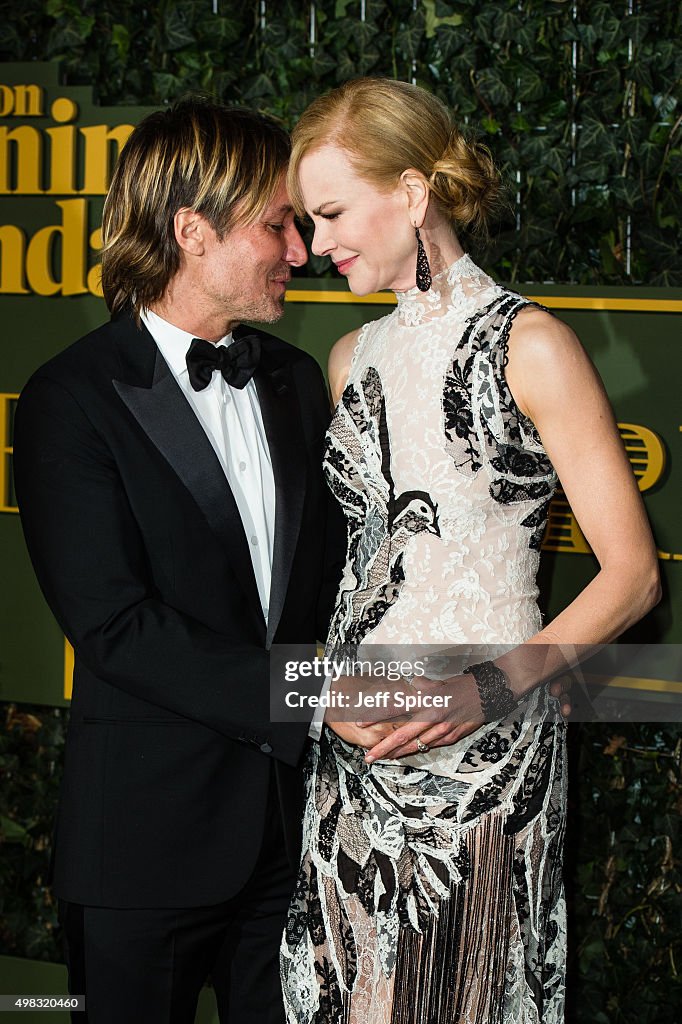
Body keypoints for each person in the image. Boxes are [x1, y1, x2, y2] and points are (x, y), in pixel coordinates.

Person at [279, 78, 661, 1024]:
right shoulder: (350, 357)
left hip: (482, 743)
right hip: (355, 754)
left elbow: (635, 577)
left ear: (412, 195)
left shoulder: (530, 347)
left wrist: (481, 691)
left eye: (330, 214)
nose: (317, 246)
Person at [13, 98, 348, 1024]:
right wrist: (315, 697)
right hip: (143, 848)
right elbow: (114, 626)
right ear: (192, 231)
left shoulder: (293, 380)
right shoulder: (72, 398)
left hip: (292, 844)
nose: (301, 250)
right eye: (277, 224)